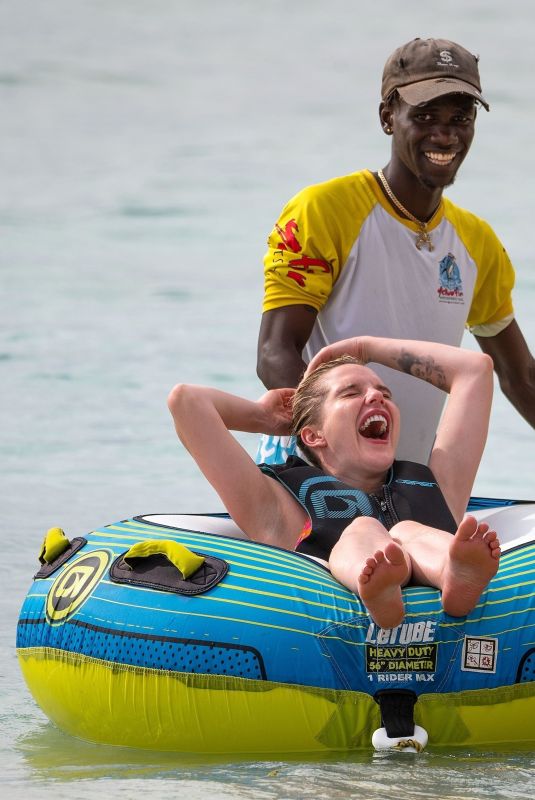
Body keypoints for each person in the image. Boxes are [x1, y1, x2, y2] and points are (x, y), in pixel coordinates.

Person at [256, 37, 535, 466]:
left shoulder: (477, 242)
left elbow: (521, 377)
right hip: (308, 470)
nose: (445, 134)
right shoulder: (323, 210)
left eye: (460, 118)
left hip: (409, 486)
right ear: (388, 117)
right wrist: (337, 460)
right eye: (424, 116)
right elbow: (275, 353)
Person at [168, 336, 500, 629]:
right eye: (351, 393)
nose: (376, 397)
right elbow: (186, 402)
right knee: (363, 529)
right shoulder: (278, 506)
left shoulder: (435, 484)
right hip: (336, 599)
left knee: (407, 532)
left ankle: (452, 572)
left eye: (384, 393)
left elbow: (476, 369)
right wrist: (261, 417)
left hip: (435, 562)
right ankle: (374, 583)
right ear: (314, 435)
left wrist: (366, 348)